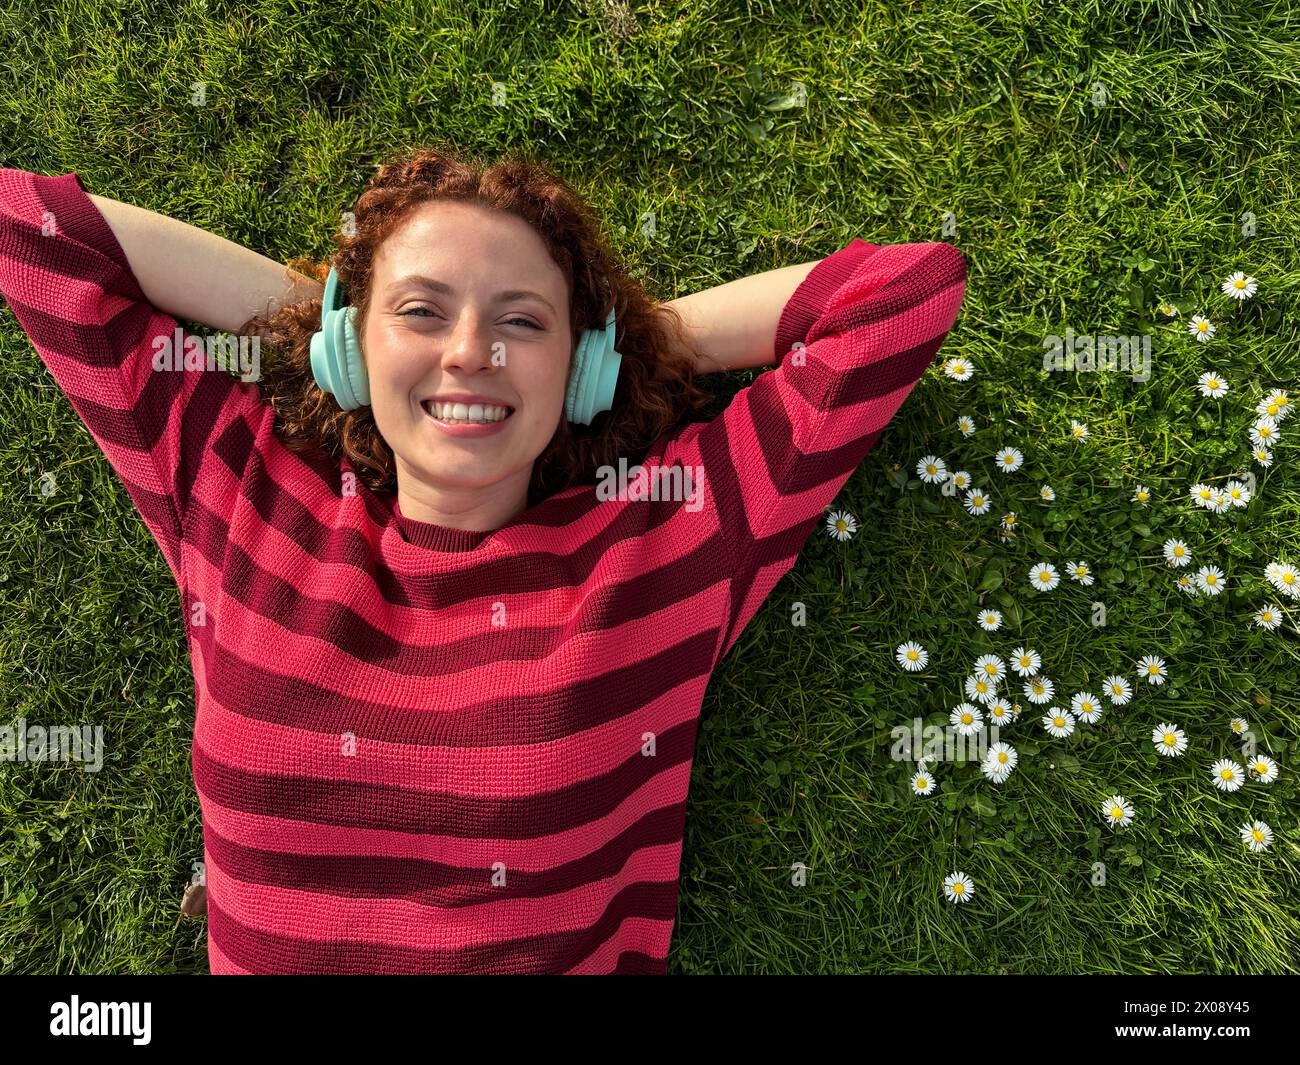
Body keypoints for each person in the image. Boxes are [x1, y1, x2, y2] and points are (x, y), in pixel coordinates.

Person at [0, 145, 967, 974]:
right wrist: (321, 324)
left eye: (523, 321)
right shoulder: (242, 502)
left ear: (578, 366)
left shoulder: (660, 546)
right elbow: (27, 224)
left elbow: (902, 297)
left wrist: (627, 347)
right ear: (351, 348)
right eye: (423, 311)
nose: (470, 351)